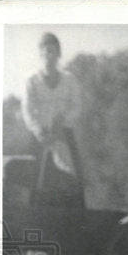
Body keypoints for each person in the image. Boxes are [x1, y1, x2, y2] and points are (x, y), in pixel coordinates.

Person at [21, 32, 84, 205]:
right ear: (40, 54)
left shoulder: (70, 79)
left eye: (53, 51)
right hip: (39, 137)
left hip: (63, 134)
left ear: (59, 54)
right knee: (35, 177)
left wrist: (62, 123)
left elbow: (77, 106)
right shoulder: (32, 80)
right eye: (46, 51)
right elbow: (27, 108)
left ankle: (75, 216)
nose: (49, 55)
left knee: (72, 177)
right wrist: (38, 129)